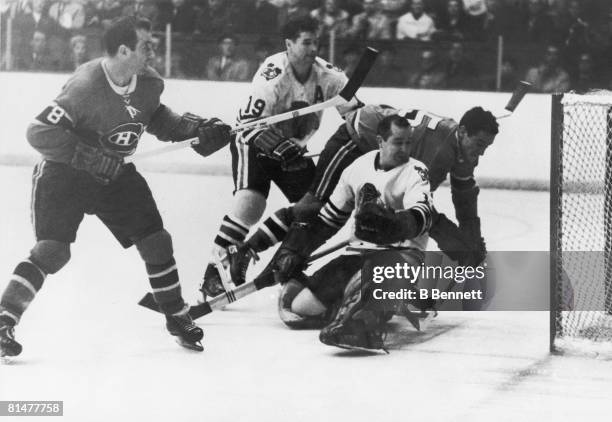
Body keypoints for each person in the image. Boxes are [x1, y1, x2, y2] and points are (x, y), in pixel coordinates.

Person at [0, 17, 232, 358]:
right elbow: (38, 132)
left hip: (114, 176)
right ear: (124, 50)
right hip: (64, 173)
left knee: (156, 240)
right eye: (146, 45)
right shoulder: (85, 86)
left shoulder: (149, 83)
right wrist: (87, 158)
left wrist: (197, 128)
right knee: (53, 251)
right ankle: (4, 316)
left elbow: (157, 118)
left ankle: (176, 316)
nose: (154, 50)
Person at [230, 104, 498, 301]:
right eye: (479, 144)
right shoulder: (439, 152)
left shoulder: (460, 146)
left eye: (486, 147)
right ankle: (264, 254)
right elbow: (417, 209)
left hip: (380, 145)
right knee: (316, 209)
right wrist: (460, 244)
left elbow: (464, 196)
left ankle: (287, 261)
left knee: (348, 215)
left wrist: (471, 237)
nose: (481, 153)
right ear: (462, 132)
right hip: (355, 141)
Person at [197, 16, 358, 300]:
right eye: (306, 42)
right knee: (250, 205)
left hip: (292, 151)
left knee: (311, 208)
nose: (312, 49)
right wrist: (279, 147)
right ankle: (214, 272)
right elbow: (247, 124)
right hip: (255, 143)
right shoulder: (272, 74)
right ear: (289, 44)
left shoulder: (329, 76)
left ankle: (277, 259)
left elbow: (357, 116)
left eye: (316, 42)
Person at [269, 114, 434, 350]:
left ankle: (366, 316)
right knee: (300, 308)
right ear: (380, 141)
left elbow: (422, 215)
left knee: (376, 281)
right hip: (357, 255)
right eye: (398, 142)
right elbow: (329, 219)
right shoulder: (358, 167)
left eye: (409, 142)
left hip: (401, 254)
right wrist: (298, 251)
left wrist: (393, 226)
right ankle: (370, 303)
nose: (405, 149)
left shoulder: (417, 171)